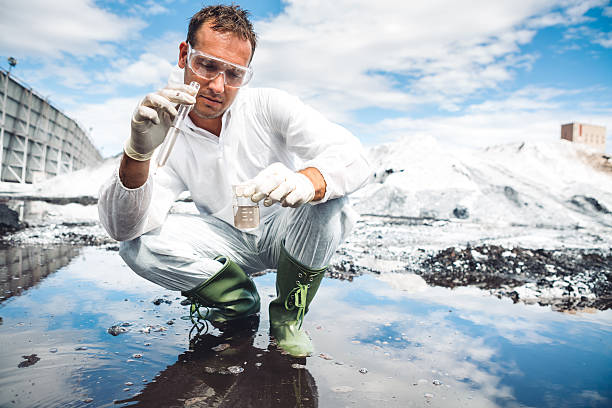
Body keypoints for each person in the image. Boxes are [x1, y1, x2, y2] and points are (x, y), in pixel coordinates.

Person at [98, 5, 370, 358]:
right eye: (207, 65)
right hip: (226, 242)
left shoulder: (269, 106)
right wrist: (137, 153)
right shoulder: (162, 126)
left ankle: (288, 319)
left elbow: (354, 156)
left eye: (235, 73)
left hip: (283, 233)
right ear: (185, 55)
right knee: (137, 246)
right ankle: (239, 305)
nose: (217, 86)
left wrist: (306, 180)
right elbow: (123, 227)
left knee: (333, 201)